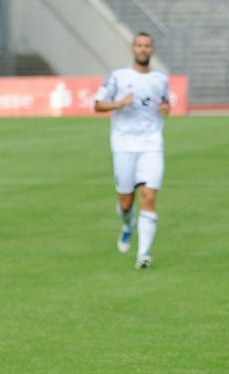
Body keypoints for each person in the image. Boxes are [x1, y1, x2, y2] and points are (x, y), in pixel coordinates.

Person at [94, 32, 170, 269]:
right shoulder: (118, 77)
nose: (143, 49)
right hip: (124, 145)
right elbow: (97, 104)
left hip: (151, 144)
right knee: (126, 203)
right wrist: (119, 103)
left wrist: (166, 108)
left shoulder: (160, 79)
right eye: (139, 45)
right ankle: (128, 225)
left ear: (152, 50)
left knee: (149, 196)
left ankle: (144, 254)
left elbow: (165, 103)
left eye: (147, 46)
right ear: (133, 49)